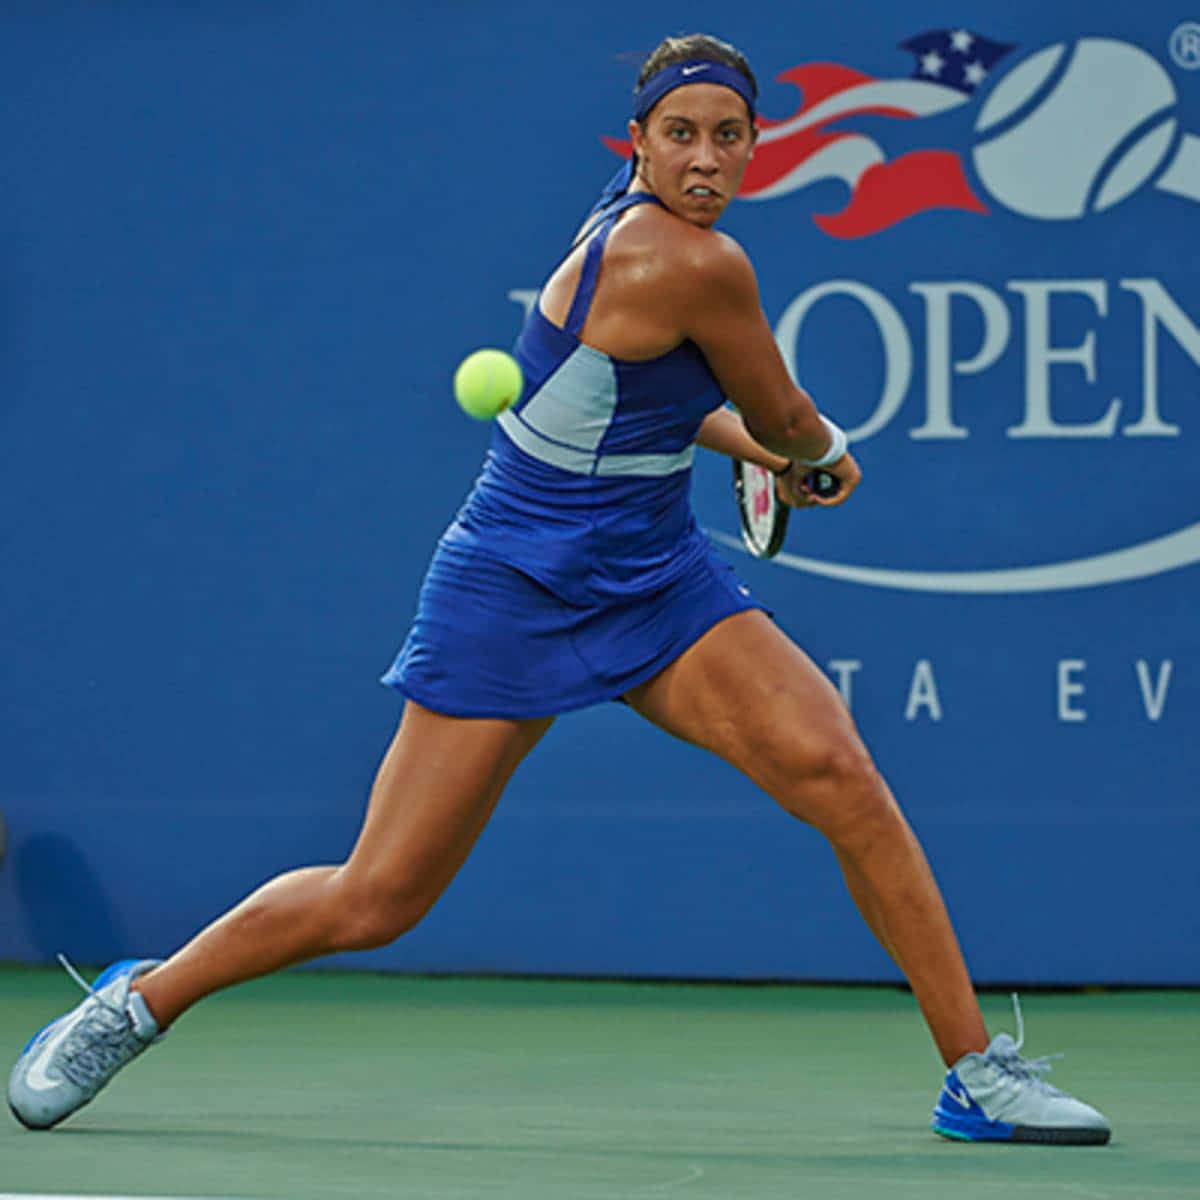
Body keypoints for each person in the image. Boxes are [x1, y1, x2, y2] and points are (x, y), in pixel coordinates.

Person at [8, 32, 1110, 1146]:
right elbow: (784, 419)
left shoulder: (659, 232)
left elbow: (661, 409)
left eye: (728, 138)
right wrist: (814, 456)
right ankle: (135, 1003)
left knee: (844, 778)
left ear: (754, 146)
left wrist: (766, 450)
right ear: (636, 146)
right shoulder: (688, 261)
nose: (705, 161)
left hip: (654, 579)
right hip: (512, 586)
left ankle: (976, 1071)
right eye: (680, 136)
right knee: (378, 897)